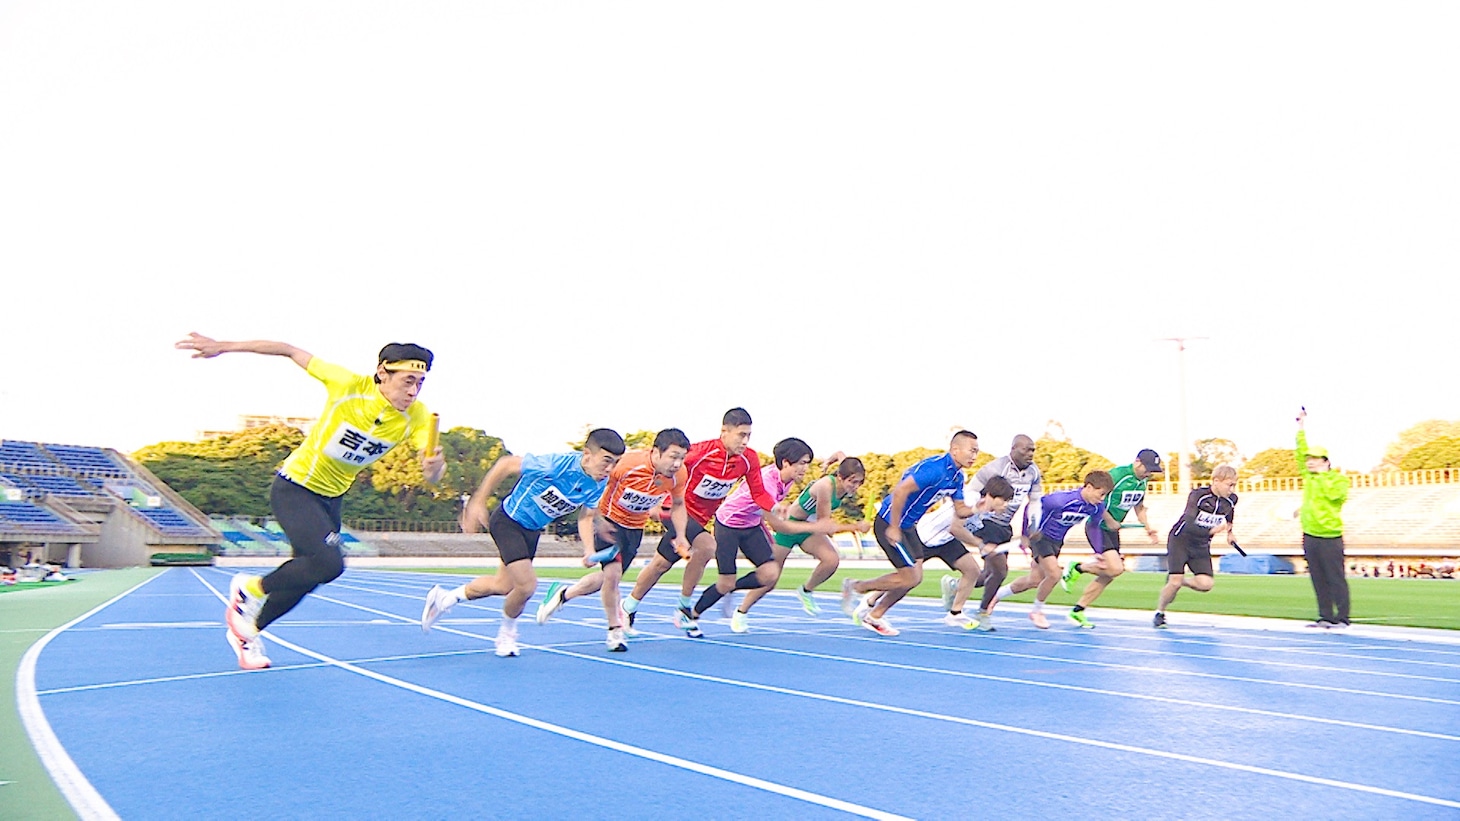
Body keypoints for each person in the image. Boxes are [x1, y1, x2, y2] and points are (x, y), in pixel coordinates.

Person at [176, 333, 446, 671]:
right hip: (296, 488)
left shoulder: (418, 416)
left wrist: (434, 469)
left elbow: (432, 473)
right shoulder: (347, 385)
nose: (413, 392)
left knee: (308, 576)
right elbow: (288, 349)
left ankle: (247, 633)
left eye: (420, 383)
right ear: (382, 372)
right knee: (329, 564)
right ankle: (249, 588)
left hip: (331, 500)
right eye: (407, 381)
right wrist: (223, 346)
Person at [420, 429, 625, 657]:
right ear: (587, 455)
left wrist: (589, 548)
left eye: (615, 463)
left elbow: (586, 516)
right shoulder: (555, 465)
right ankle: (506, 634)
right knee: (527, 586)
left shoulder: (599, 483)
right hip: (508, 521)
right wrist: (477, 501)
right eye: (606, 461)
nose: (610, 469)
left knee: (502, 586)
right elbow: (506, 464)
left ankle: (445, 599)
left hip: (532, 530)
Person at [533, 429, 690, 651]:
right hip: (609, 524)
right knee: (613, 576)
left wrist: (681, 535)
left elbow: (678, 505)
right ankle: (615, 630)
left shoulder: (679, 475)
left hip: (635, 529)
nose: (677, 464)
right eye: (673, 457)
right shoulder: (626, 465)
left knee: (606, 580)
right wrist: (596, 524)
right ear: (656, 452)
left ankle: (563, 594)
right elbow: (595, 488)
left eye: (681, 458)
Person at [621, 409, 775, 637]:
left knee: (661, 564)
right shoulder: (700, 452)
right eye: (741, 435)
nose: (745, 441)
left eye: (749, 436)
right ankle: (684, 608)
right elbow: (663, 465)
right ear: (724, 431)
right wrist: (654, 496)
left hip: (700, 519)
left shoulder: (748, 459)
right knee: (706, 546)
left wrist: (775, 508)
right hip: (674, 510)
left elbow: (758, 492)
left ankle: (628, 606)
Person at [685, 442, 863, 634]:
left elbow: (844, 459)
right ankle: (692, 615)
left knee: (770, 575)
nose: (805, 468)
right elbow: (780, 526)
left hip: (752, 524)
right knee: (728, 582)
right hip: (729, 524)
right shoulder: (768, 484)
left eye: (807, 463)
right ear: (786, 463)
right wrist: (823, 527)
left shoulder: (788, 477)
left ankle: (735, 590)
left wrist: (831, 459)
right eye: (802, 463)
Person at [840, 431, 983, 636]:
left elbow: (960, 510)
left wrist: (979, 507)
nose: (974, 456)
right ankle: (857, 588)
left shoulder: (957, 477)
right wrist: (894, 527)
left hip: (908, 526)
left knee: (913, 578)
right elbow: (900, 491)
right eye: (972, 451)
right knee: (910, 578)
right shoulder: (935, 469)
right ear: (955, 450)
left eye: (977, 452)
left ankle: (874, 614)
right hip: (889, 522)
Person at [988, 470, 1114, 629]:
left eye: (1105, 495)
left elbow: (1094, 527)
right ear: (1089, 487)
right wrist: (1026, 533)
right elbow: (1031, 507)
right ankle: (1037, 611)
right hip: (1040, 537)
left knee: (1034, 580)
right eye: (1101, 494)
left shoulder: (1096, 507)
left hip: (1057, 542)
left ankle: (995, 596)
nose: (1102, 499)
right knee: (1054, 574)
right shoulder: (1060, 500)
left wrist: (1098, 552)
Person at [1061, 449, 1164, 628]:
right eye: (1147, 469)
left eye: (1152, 471)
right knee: (1115, 568)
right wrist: (1109, 520)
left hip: (1112, 530)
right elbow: (1097, 499)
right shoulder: (1117, 475)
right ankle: (1077, 568)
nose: (1149, 473)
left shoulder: (1142, 482)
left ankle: (1078, 610)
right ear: (1137, 462)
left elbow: (1139, 507)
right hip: (1098, 526)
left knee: (1110, 573)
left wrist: (1148, 528)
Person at [757, 457, 872, 616]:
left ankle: (806, 591)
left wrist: (829, 460)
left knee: (831, 560)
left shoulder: (846, 476)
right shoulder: (826, 487)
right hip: (790, 527)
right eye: (853, 482)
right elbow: (825, 526)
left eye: (860, 482)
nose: (856, 487)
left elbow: (841, 455)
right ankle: (738, 600)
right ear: (840, 476)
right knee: (769, 579)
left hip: (809, 529)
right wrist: (856, 527)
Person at [962, 435, 1043, 631]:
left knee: (989, 574)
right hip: (986, 521)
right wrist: (980, 510)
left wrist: (1033, 526)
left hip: (1005, 526)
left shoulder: (1034, 473)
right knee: (1000, 571)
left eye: (1033, 450)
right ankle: (983, 613)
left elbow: (1034, 502)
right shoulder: (995, 468)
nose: (1031, 454)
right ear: (1013, 449)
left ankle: (956, 586)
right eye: (1026, 449)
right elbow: (971, 491)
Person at [910, 476, 1016, 626]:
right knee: (907, 578)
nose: (1006, 505)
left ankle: (955, 613)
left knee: (972, 571)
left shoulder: (987, 512)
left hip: (946, 540)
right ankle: (875, 598)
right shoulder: (971, 500)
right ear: (991, 495)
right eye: (1004, 500)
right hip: (925, 537)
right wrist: (981, 545)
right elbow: (956, 528)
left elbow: (970, 531)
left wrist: (988, 547)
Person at [1153, 465, 1239, 629]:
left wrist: (1230, 532)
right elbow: (1189, 523)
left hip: (1201, 545)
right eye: (1229, 485)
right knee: (1174, 583)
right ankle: (1160, 612)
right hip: (1181, 540)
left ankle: (1178, 580)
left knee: (1206, 584)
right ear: (1216, 481)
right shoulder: (1198, 496)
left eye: (1234, 485)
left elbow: (1229, 515)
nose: (1232, 489)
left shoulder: (1231, 499)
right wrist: (1212, 531)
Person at [1297, 408, 1352, 629]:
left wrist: (1321, 476)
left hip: (1330, 535)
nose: (1310, 462)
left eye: (1315, 459)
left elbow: (1334, 496)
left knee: (1335, 577)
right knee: (1318, 578)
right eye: (1308, 459)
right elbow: (1299, 450)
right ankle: (1325, 616)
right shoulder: (1308, 477)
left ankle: (1343, 617)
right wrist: (1300, 427)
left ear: (1326, 462)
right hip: (1310, 534)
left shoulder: (1338, 480)